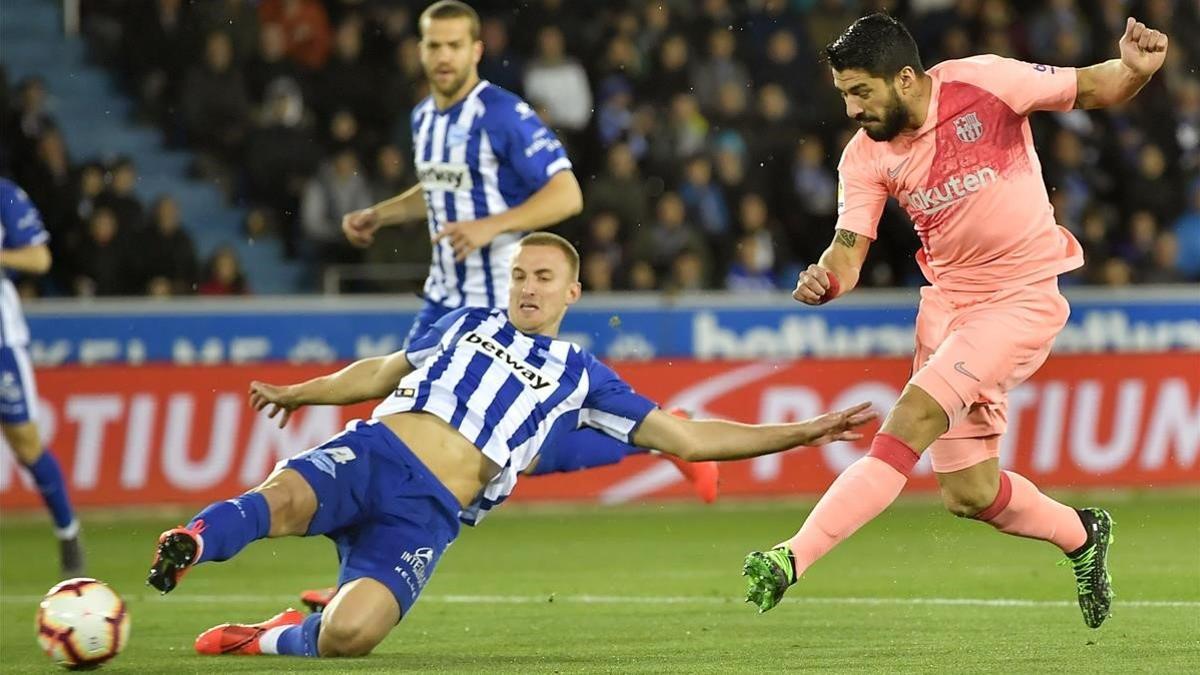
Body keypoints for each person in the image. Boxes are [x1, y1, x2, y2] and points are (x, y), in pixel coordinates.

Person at [145, 233, 877, 659]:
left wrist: (806, 430)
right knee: (284, 498)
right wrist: (304, 391)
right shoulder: (466, 323)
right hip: (376, 454)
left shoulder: (583, 374)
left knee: (351, 637)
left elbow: (686, 434)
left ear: (573, 293)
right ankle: (192, 540)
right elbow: (383, 369)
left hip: (428, 515)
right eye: (520, 275)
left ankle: (270, 638)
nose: (528, 287)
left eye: (544, 278)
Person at [742, 13, 1169, 630]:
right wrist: (826, 278)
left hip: (1019, 299)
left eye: (861, 91)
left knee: (909, 418)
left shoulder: (986, 82)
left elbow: (1096, 86)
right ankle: (1081, 534)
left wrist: (1134, 69)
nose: (851, 108)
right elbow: (848, 253)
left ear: (907, 79)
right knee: (969, 493)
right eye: (844, 94)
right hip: (950, 311)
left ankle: (790, 558)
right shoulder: (864, 159)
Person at [336, 0, 714, 542]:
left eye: (454, 45)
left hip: (494, 296)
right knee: (404, 428)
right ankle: (667, 432)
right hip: (442, 296)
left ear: (476, 50)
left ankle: (669, 433)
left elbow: (567, 193)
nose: (443, 56)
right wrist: (383, 213)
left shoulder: (502, 114)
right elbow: (442, 187)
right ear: (420, 50)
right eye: (433, 45)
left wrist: (492, 227)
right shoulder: (423, 118)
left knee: (493, 447)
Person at [0, 178, 84, 577]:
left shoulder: (5, 195)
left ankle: (68, 532)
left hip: (2, 342)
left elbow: (39, 259)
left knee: (26, 443)